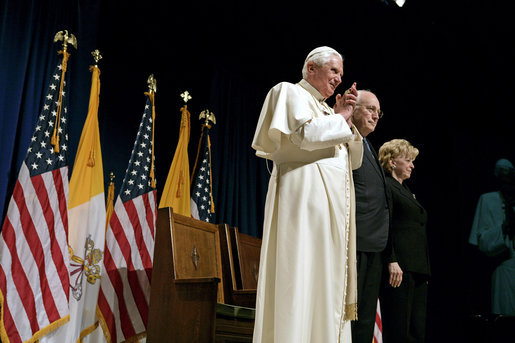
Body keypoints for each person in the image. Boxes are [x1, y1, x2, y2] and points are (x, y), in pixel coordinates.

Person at [251, 46, 363, 342]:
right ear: (311, 68)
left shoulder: (329, 111)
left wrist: (345, 119)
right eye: (334, 70)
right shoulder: (288, 92)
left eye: (341, 72)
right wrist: (341, 119)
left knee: (324, 285)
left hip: (328, 217)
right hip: (301, 204)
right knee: (299, 279)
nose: (339, 78)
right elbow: (304, 135)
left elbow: (353, 160)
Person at [378, 139, 430, 343]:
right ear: (392, 162)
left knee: (416, 330)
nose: (412, 165)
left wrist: (424, 269)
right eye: (407, 160)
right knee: (399, 329)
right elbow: (386, 224)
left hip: (416, 269)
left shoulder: (406, 190)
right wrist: (391, 259)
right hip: (400, 269)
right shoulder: (387, 186)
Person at [349, 89, 389, 343]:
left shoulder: (369, 146)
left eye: (378, 111)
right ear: (353, 109)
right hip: (356, 241)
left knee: (365, 318)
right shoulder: (345, 140)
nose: (376, 116)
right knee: (351, 317)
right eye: (370, 109)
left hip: (374, 243)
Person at [469, 158, 515, 317]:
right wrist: (504, 227)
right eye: (503, 178)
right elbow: (482, 242)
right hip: (503, 268)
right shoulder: (488, 200)